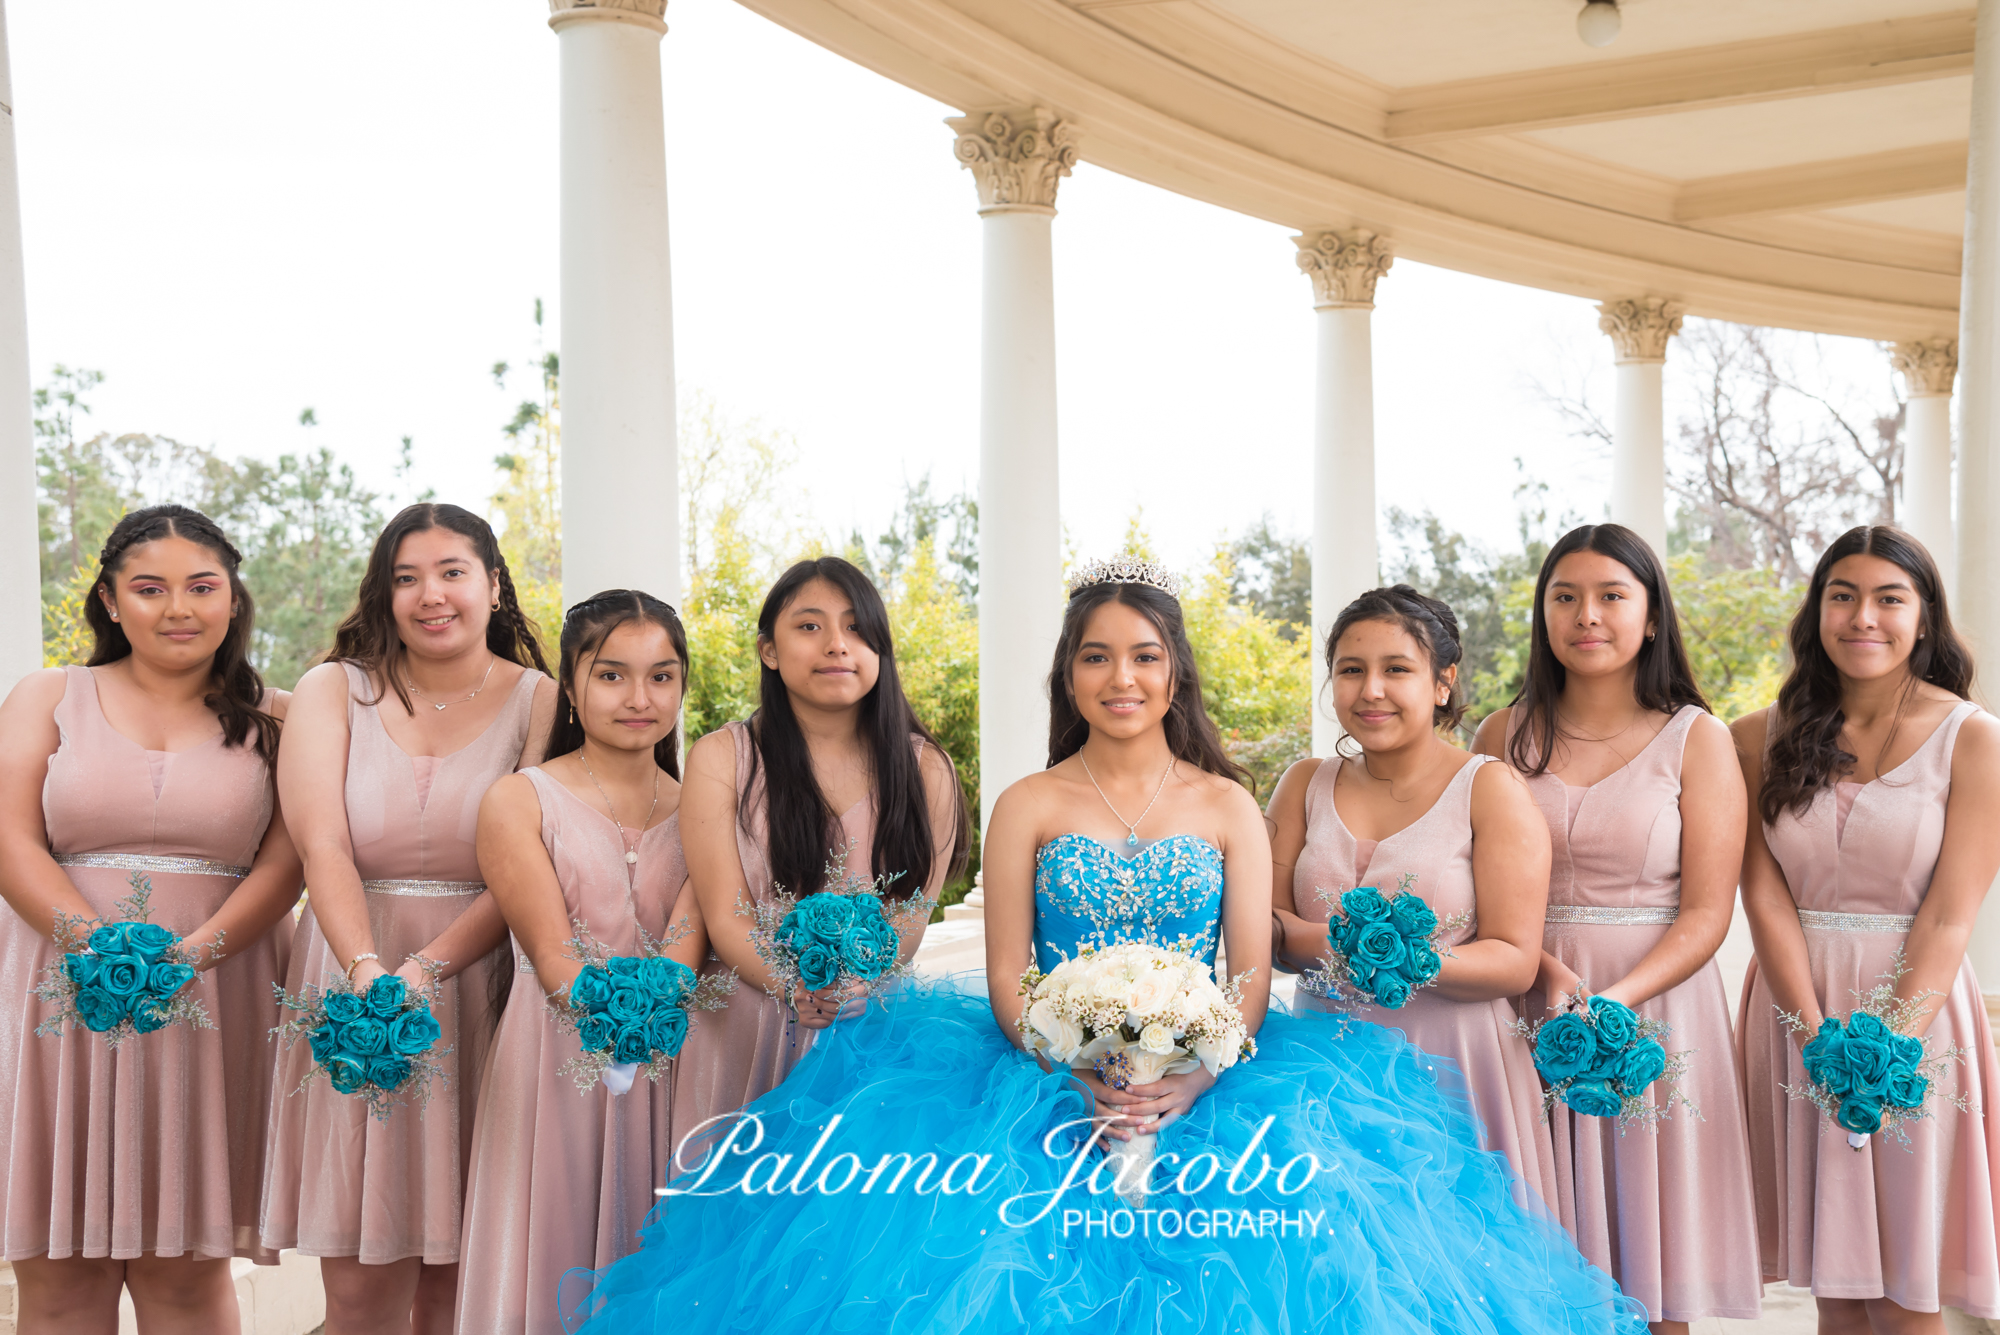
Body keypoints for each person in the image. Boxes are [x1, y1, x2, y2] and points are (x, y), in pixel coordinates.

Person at [563, 559, 1646, 1334]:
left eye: (1141, 656)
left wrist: (1186, 1076)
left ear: (1172, 672)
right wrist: (1075, 1060)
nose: (1119, 678)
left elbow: (1253, 970)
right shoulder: (1029, 800)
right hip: (1030, 1082)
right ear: (1068, 676)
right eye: (1094, 657)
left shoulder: (1228, 803)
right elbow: (1002, 970)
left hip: (1222, 1089)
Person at [0, 505, 303, 1334]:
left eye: (203, 586)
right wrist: (94, 946)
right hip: (59, 998)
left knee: (184, 1275)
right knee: (59, 1282)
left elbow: (286, 862)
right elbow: (9, 837)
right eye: (150, 587)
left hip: (215, 997)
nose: (180, 607)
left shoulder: (281, 716)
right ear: (108, 598)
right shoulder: (48, 693)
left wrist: (192, 954)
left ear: (233, 599)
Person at [259, 502, 557, 1335]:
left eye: (452, 571)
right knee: (358, 1298)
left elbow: (531, 866)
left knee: (459, 1291)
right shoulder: (334, 689)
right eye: (406, 577)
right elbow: (323, 845)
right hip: (350, 971)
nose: (431, 593)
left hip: (485, 983)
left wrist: (427, 970)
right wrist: (367, 978)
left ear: (493, 584)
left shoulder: (541, 699)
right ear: (384, 594)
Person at [1472, 524, 1761, 1332]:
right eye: (1564, 597)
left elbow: (1709, 911)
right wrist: (1540, 978)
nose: (1586, 615)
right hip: (1522, 999)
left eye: (1610, 596)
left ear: (1652, 615)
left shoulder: (1696, 737)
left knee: (1653, 1259)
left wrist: (1613, 1005)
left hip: (1654, 1007)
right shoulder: (1501, 733)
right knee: (1537, 1254)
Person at [1734, 525, 2000, 1333]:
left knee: (1907, 1283)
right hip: (1792, 1004)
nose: (1863, 617)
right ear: (1817, 611)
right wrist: (1816, 1034)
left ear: (1925, 616)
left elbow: (1953, 913)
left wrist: (1886, 1053)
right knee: (1837, 1285)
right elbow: (1764, 896)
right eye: (1842, 596)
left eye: (1890, 597)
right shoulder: (1753, 738)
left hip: (1918, 1017)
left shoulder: (1975, 738)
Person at [459, 590, 711, 1335]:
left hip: (678, 1062)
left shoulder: (706, 805)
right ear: (570, 684)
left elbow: (685, 954)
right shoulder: (519, 800)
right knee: (554, 1249)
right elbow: (553, 955)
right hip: (555, 1058)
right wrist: (618, 1018)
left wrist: (658, 1007)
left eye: (662, 676)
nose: (640, 697)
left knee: (665, 1256)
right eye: (612, 675)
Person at [1269, 584, 1558, 1207]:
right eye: (1351, 670)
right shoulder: (1302, 784)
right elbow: (1268, 931)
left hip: (1456, 1060)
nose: (1370, 690)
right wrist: (1333, 945)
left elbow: (1514, 958)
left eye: (1396, 669)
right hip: (1322, 1057)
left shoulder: (1489, 789)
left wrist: (1397, 959)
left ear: (1442, 681)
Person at [666, 556, 966, 1152]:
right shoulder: (721, 757)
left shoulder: (926, 769)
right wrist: (791, 988)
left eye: (857, 628)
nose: (837, 645)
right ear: (769, 650)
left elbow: (909, 917)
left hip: (871, 1024)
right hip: (745, 1025)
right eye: (809, 627)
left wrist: (854, 982)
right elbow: (725, 913)